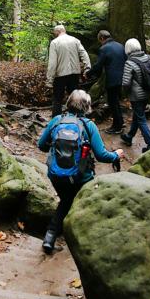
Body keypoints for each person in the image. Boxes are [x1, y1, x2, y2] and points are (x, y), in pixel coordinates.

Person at [37, 90, 123, 254]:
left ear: (68, 103)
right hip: (80, 177)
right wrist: (116, 155)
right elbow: (101, 155)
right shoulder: (88, 125)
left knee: (66, 200)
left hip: (56, 176)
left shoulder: (56, 120)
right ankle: (80, 238)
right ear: (86, 107)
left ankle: (50, 236)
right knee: (77, 201)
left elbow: (41, 145)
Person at [85, 30, 126, 134]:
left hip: (112, 79)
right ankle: (120, 122)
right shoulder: (120, 46)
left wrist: (88, 74)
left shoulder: (104, 48)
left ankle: (117, 127)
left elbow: (98, 65)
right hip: (122, 78)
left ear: (102, 38)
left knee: (112, 103)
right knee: (116, 101)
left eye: (100, 40)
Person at [120, 38, 150, 152]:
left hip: (136, 96)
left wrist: (125, 94)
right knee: (138, 115)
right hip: (148, 92)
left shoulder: (129, 62)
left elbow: (126, 83)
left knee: (141, 119)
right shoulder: (149, 58)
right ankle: (129, 136)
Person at [46, 25, 91, 118]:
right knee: (75, 98)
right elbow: (84, 54)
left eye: (54, 33)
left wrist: (49, 80)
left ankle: (56, 119)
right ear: (64, 30)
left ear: (57, 32)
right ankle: (77, 118)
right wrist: (87, 67)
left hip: (60, 75)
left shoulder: (55, 42)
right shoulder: (75, 40)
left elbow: (52, 63)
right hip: (74, 74)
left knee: (57, 99)